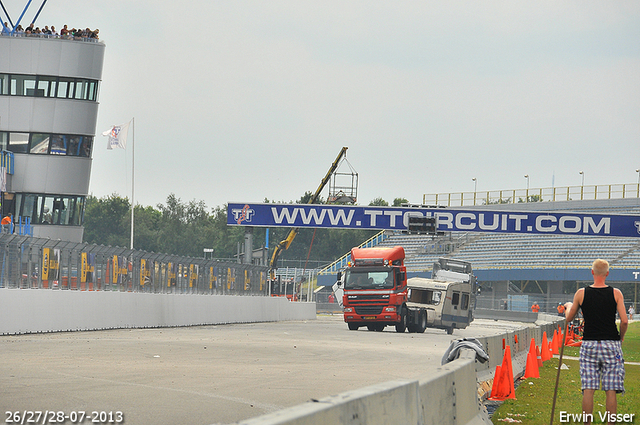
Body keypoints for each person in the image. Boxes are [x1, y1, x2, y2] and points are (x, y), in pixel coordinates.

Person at [566, 259, 628, 425]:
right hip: (611, 343)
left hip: (589, 344)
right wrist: (620, 337)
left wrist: (567, 307)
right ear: (607, 273)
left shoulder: (581, 293)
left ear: (592, 272)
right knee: (611, 390)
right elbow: (624, 321)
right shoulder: (616, 293)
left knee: (588, 388)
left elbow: (569, 318)